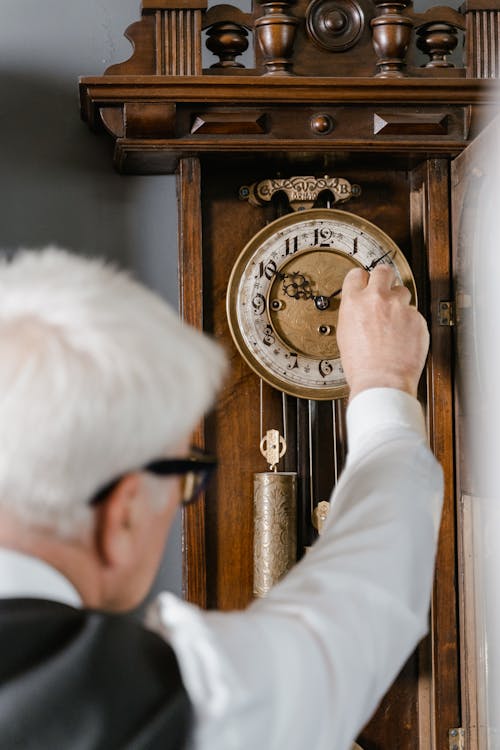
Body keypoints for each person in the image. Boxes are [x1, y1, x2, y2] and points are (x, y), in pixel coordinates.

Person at [0, 247, 442, 750]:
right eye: (182, 476)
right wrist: (385, 380)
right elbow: (368, 599)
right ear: (122, 515)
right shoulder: (176, 707)